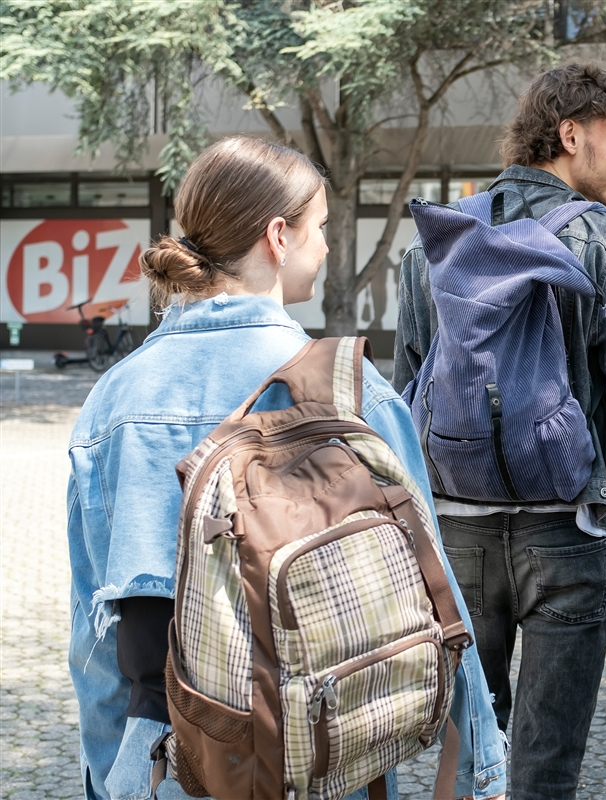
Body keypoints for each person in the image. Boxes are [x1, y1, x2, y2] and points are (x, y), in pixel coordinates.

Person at [67, 136, 507, 800]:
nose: (327, 247)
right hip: (325, 760)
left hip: (170, 767)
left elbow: (96, 638)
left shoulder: (114, 402)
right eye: (320, 228)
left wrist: (115, 779)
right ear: (278, 235)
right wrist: (483, 766)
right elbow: (435, 592)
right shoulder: (352, 394)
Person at [393, 63, 606, 799]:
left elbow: (407, 395)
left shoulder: (435, 243)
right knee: (547, 763)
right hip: (568, 533)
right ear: (570, 135)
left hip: (458, 532)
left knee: (468, 758)